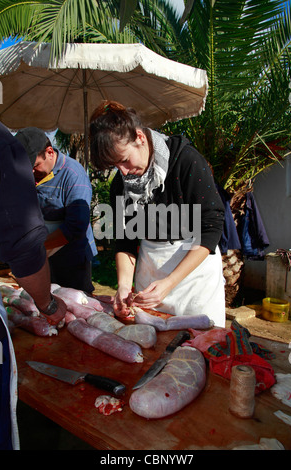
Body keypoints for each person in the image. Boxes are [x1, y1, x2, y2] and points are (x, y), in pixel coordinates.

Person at [89, 100, 226, 327]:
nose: (122, 172)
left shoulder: (186, 161)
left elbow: (211, 227)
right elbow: (125, 239)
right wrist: (124, 285)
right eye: (115, 166)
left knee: (200, 345)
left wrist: (170, 282)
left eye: (124, 160)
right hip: (150, 271)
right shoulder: (121, 185)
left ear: (140, 138)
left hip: (194, 278)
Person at [0, 119, 66, 449]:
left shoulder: (74, 177)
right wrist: (48, 304)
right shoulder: (3, 147)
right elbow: (23, 242)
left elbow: (77, 226)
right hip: (39, 264)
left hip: (66, 258)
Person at [15, 127, 97, 294]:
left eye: (35, 165)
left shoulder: (74, 175)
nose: (30, 171)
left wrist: (38, 248)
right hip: (42, 255)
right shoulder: (30, 174)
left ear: (50, 152)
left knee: (77, 305)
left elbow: (76, 227)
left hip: (73, 259)